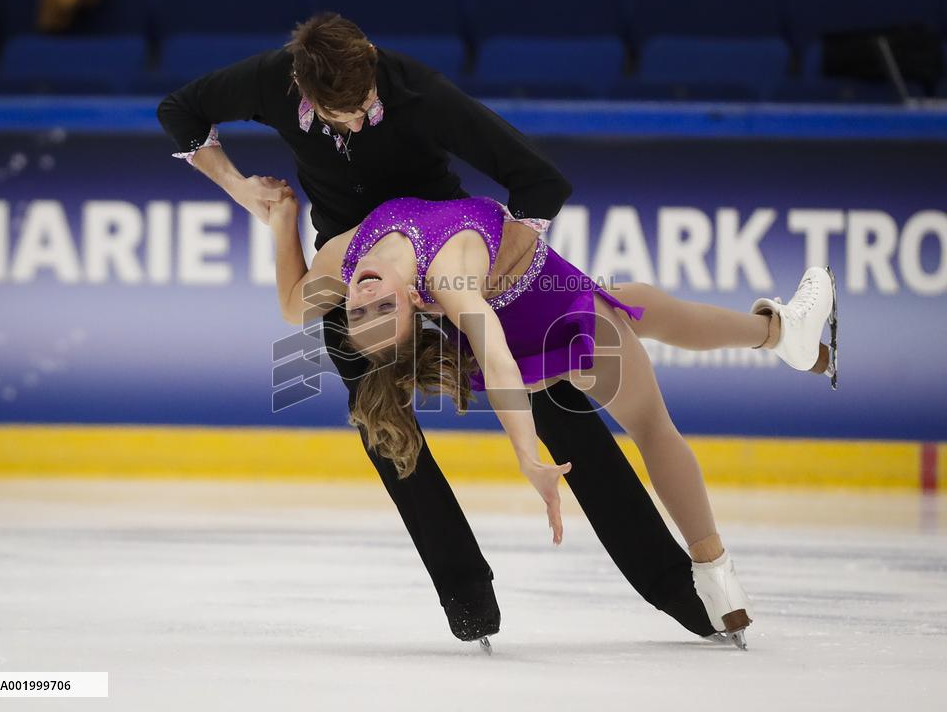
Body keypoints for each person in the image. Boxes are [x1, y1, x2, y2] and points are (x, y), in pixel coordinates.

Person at [158, 12, 722, 649]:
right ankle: (465, 593)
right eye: (339, 115)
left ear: (371, 62)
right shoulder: (271, 81)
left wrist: (507, 276)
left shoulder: (418, 93)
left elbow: (538, 179)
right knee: (383, 423)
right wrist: (243, 192)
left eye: (366, 104)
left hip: (452, 262)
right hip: (357, 272)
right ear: (303, 89)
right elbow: (181, 109)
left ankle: (675, 587)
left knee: (555, 404)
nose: (356, 121)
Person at [264, 190, 838, 650]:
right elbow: (495, 359)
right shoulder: (449, 279)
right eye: (380, 311)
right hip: (560, 324)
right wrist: (526, 454)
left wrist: (280, 221)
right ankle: (715, 570)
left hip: (554, 294)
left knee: (644, 303)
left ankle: (781, 334)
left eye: (361, 311)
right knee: (652, 427)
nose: (365, 299)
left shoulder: (341, 261)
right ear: (415, 301)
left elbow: (293, 303)